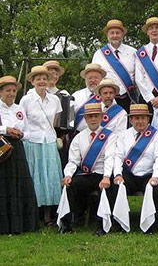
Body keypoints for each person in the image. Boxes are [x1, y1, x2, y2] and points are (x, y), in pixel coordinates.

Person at [59, 103, 117, 235]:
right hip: (86, 174)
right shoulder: (78, 138)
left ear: (101, 118)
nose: (93, 119)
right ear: (85, 119)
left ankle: (102, 226)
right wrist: (68, 175)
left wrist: (107, 177)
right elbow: (73, 161)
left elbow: (110, 158)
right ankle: (67, 224)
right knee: (70, 185)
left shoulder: (110, 136)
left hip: (103, 174)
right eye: (90, 116)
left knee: (107, 188)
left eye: (96, 116)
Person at [20, 65, 63, 227]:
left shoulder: (55, 100)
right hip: (33, 141)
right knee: (35, 176)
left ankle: (48, 215)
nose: (42, 81)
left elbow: (54, 122)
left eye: (44, 78)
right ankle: (33, 215)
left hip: (49, 141)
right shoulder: (26, 100)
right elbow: (22, 122)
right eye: (38, 79)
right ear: (32, 81)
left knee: (50, 177)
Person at [113, 104, 158, 233]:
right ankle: (119, 223)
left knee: (157, 189)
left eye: (143, 118)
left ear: (148, 119)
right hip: (129, 174)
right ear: (131, 120)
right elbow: (118, 156)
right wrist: (117, 174)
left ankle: (151, 224)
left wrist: (156, 177)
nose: (140, 121)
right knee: (115, 187)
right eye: (136, 118)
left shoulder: (157, 136)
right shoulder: (123, 135)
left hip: (148, 175)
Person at [0, 76, 38, 234]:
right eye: (8, 90)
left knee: (19, 184)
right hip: (2, 147)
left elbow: (29, 132)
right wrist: (6, 130)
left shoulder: (19, 109)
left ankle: (21, 224)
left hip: (18, 148)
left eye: (14, 91)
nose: (11, 93)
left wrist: (22, 134)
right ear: (1, 92)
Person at [92, 19, 137, 112]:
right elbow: (95, 78)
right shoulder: (99, 54)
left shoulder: (133, 52)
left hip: (129, 98)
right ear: (107, 35)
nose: (115, 36)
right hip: (108, 99)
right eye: (112, 33)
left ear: (122, 34)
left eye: (118, 33)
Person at [72, 63, 107, 133]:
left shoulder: (107, 96)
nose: (93, 80)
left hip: (101, 136)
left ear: (101, 79)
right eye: (90, 78)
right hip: (78, 136)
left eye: (96, 78)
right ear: (85, 79)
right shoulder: (76, 96)